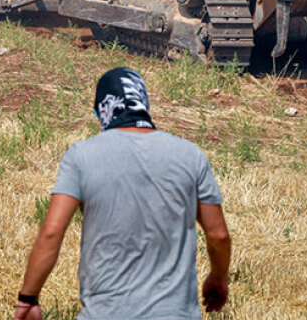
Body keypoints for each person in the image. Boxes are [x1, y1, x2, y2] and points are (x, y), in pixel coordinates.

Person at [14, 67, 231, 320]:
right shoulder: (190, 155)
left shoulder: (82, 155)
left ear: (102, 110)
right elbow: (218, 234)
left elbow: (52, 232)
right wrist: (218, 278)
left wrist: (28, 299)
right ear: (144, 105)